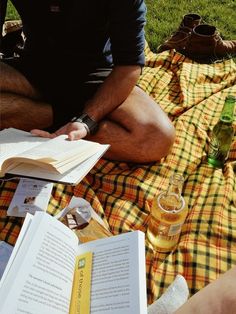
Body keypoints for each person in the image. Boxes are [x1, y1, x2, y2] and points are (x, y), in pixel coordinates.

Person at [0, 0, 175, 163]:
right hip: (33, 69)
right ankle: (59, 119)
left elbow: (128, 66)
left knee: (156, 139)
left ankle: (52, 120)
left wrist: (87, 120)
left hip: (96, 76)